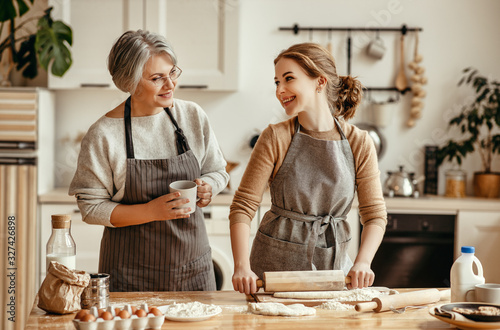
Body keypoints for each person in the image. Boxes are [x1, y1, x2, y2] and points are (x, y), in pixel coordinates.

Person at [69, 30, 229, 292]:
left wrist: (209, 186)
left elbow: (217, 170)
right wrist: (152, 211)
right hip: (130, 275)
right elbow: (91, 207)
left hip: (193, 269)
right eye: (157, 78)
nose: (170, 85)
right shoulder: (104, 134)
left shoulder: (192, 116)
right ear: (129, 82)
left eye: (172, 73)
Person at [229, 42, 387, 295]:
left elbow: (375, 214)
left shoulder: (359, 142)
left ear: (320, 82)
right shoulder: (274, 137)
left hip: (333, 273)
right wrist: (241, 266)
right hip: (272, 274)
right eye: (277, 82)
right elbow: (243, 206)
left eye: (288, 79)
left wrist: (363, 263)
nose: (280, 90)